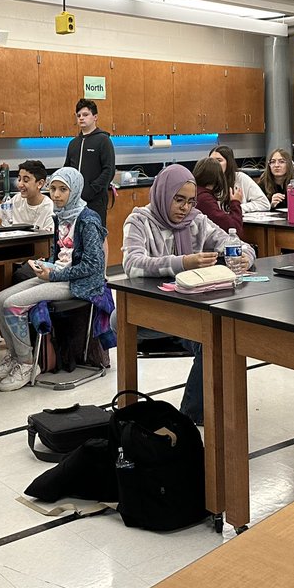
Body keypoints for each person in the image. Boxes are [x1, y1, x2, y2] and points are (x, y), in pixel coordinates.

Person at [122, 164, 255, 423]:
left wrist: (244, 258)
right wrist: (184, 262)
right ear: (162, 193)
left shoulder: (196, 220)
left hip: (187, 311)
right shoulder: (139, 221)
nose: (185, 208)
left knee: (215, 336)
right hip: (148, 313)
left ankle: (192, 415)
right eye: (179, 199)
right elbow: (133, 264)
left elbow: (236, 243)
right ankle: (191, 416)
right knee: (208, 333)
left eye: (190, 201)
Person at [0, 167, 105, 391]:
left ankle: (26, 364)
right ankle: (14, 356)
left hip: (80, 283)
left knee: (13, 305)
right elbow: (60, 253)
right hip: (58, 274)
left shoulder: (88, 220)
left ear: (76, 190)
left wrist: (55, 273)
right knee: (0, 299)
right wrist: (46, 263)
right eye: (53, 189)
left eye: (63, 189)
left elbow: (93, 265)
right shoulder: (60, 215)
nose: (57, 195)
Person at [63, 98, 115, 228]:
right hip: (74, 201)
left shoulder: (103, 140)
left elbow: (109, 170)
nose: (81, 118)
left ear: (95, 117)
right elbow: (67, 170)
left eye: (85, 115)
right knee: (74, 237)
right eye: (78, 115)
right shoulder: (73, 143)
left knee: (97, 235)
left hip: (95, 200)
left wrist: (91, 190)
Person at [0, 159, 55, 233]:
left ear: (40, 184)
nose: (20, 185)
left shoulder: (49, 208)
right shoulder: (17, 199)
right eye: (19, 179)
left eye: (26, 180)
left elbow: (48, 238)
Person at [209, 145, 270, 213]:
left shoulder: (241, 178)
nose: (214, 164)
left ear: (229, 163)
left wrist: (237, 207)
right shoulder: (207, 181)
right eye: (211, 161)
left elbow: (264, 203)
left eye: (219, 160)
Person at [193, 157, 243, 238]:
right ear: (219, 177)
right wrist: (235, 203)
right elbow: (234, 229)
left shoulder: (195, 193)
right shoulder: (205, 199)